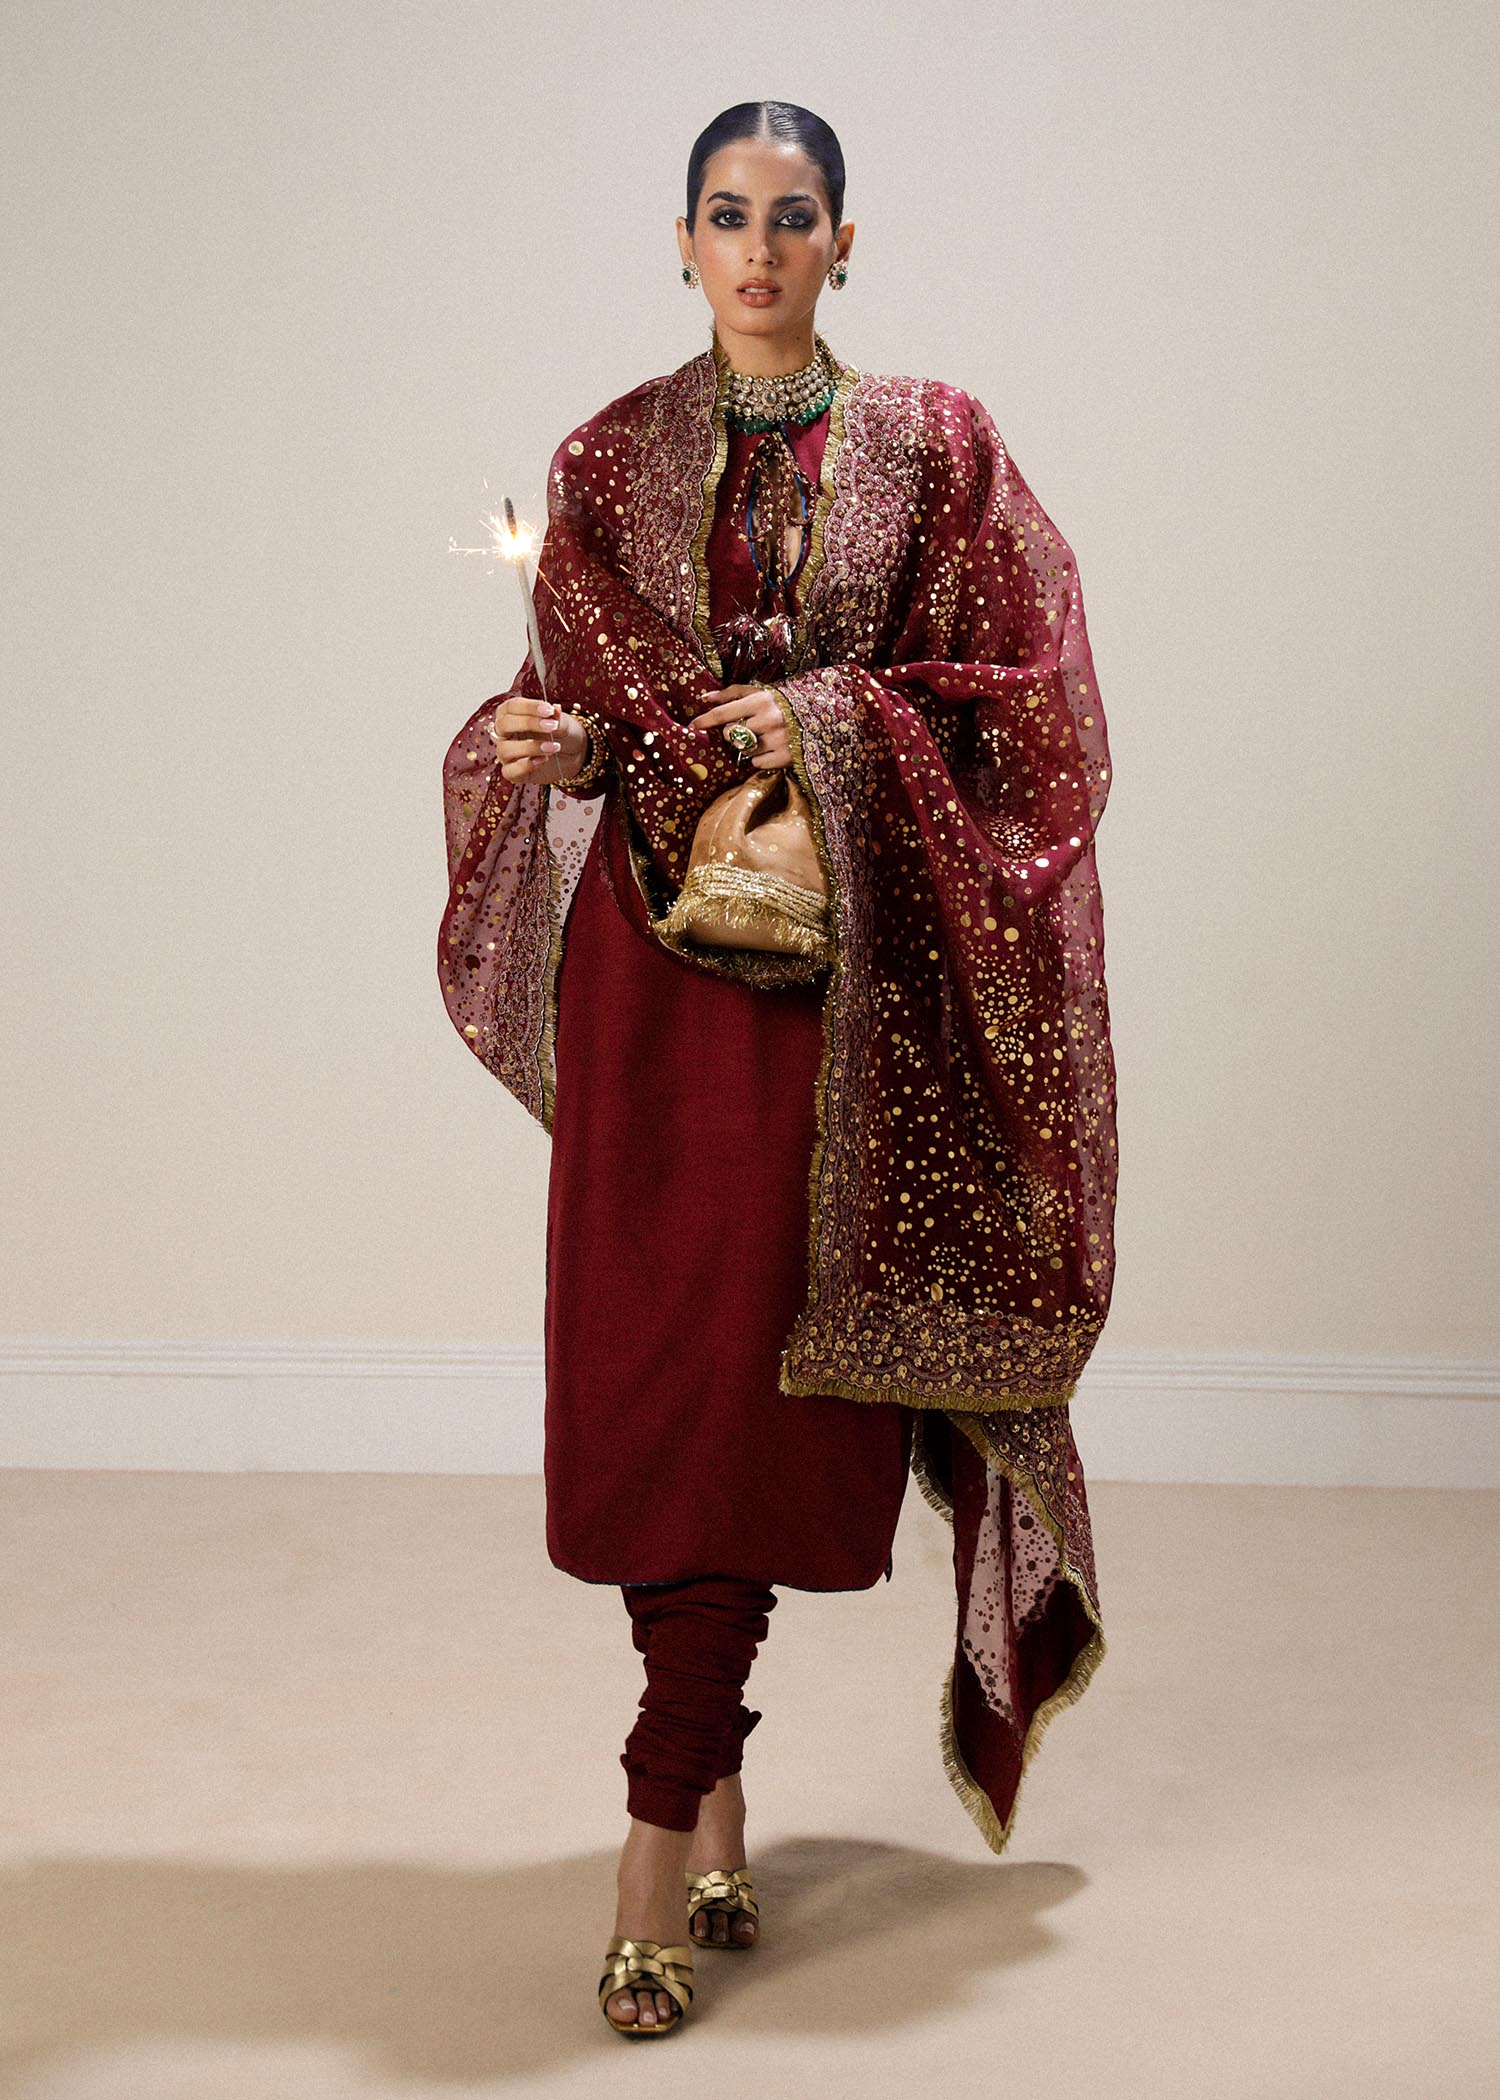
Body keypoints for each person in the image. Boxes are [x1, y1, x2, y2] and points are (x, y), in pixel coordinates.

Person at [438, 99, 1119, 2039]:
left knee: (755, 1398)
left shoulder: (939, 450)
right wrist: (552, 749)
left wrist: (826, 720)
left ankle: (653, 1851)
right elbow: (588, 708)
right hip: (651, 981)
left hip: (840, 1000)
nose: (758, 247)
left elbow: (1031, 707)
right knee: (660, 1391)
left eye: (792, 215)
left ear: (843, 241)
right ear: (681, 241)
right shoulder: (603, 459)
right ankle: (710, 1797)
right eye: (726, 215)